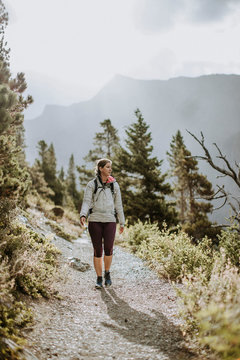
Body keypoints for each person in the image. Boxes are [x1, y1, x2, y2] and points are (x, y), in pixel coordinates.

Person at [80, 158, 125, 289]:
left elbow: (119, 205)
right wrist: (83, 214)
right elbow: (86, 201)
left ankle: (107, 273)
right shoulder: (91, 184)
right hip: (94, 220)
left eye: (110, 167)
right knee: (97, 250)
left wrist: (122, 222)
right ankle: (99, 278)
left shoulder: (114, 185)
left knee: (109, 249)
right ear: (100, 168)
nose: (110, 169)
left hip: (110, 220)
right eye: (107, 167)